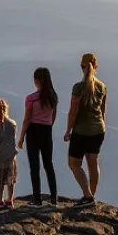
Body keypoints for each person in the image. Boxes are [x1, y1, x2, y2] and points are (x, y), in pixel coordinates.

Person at [64, 52, 107, 204]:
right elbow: (102, 111)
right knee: (93, 163)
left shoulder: (78, 87)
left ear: (81, 67)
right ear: (96, 66)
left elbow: (73, 111)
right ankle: (92, 196)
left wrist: (68, 130)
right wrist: (102, 127)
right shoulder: (102, 87)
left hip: (81, 131)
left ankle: (87, 195)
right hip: (98, 130)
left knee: (74, 164)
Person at [17, 66, 59, 205]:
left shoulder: (31, 99)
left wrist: (21, 137)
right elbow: (53, 117)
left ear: (37, 81)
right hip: (47, 131)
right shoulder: (53, 97)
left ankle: (37, 199)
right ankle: (54, 198)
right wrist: (47, 126)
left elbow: (26, 119)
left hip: (33, 132)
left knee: (34, 166)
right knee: (49, 165)